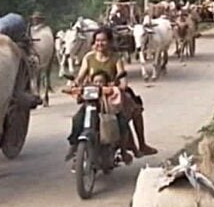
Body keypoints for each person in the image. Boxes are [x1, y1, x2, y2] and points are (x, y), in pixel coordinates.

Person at [65, 27, 157, 161]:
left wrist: (118, 85)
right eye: (97, 41)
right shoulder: (89, 58)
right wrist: (75, 84)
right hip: (94, 95)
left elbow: (122, 79)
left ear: (109, 42)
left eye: (103, 41)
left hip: (111, 96)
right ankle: (74, 147)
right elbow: (80, 77)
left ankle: (137, 146)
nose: (100, 44)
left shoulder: (115, 58)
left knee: (126, 118)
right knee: (78, 119)